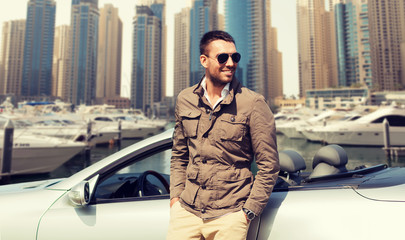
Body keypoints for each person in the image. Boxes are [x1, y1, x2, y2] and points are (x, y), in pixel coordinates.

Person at [167, 30, 279, 240]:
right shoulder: (185, 99)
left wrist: (247, 212)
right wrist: (175, 198)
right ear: (204, 60)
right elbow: (179, 155)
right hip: (186, 212)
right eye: (222, 57)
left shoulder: (253, 103)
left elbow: (269, 165)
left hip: (230, 215)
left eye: (234, 57)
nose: (230, 63)